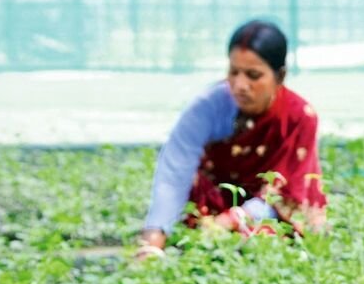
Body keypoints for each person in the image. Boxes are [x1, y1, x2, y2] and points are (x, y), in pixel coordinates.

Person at [134, 20, 326, 259]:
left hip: (268, 213)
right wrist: (153, 241)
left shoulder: (298, 117)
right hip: (217, 204)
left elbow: (285, 192)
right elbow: (175, 171)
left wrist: (231, 221)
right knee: (191, 203)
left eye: (253, 75)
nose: (240, 85)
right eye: (233, 72)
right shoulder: (208, 106)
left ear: (280, 76)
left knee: (264, 242)